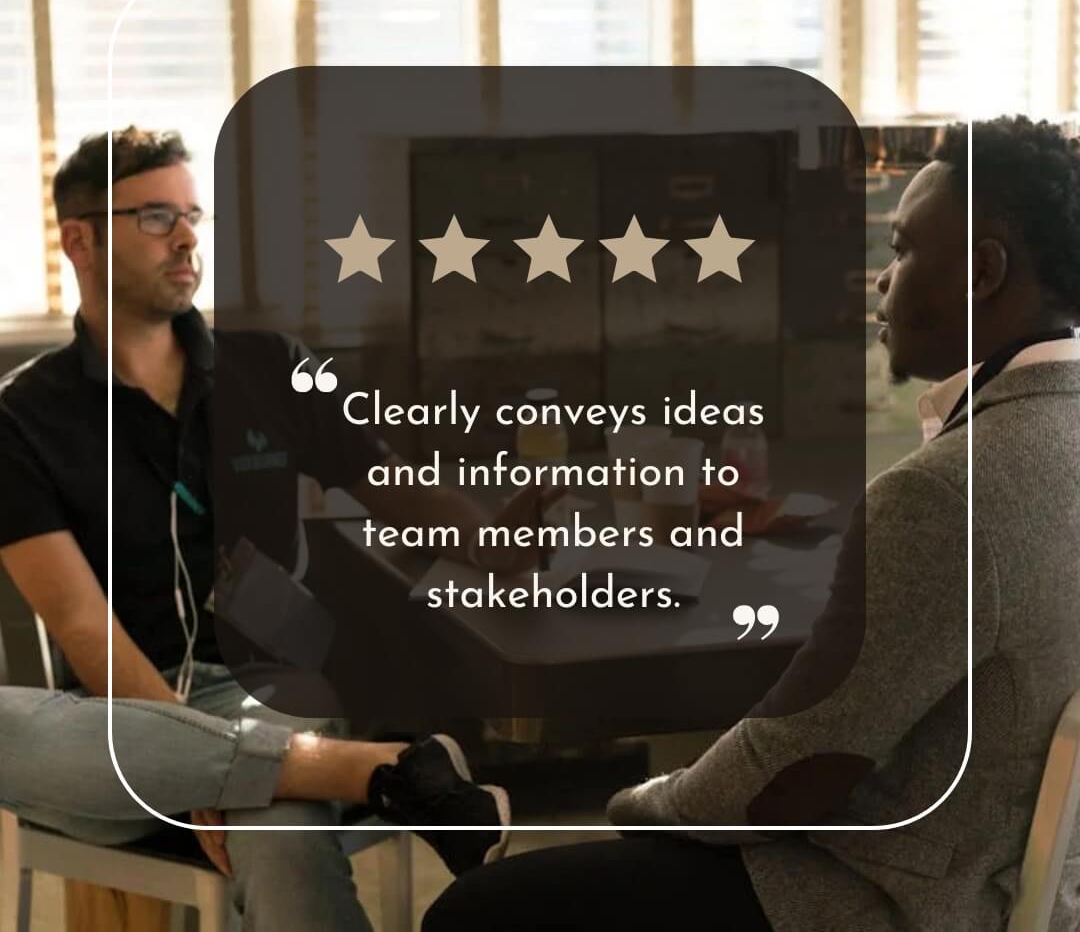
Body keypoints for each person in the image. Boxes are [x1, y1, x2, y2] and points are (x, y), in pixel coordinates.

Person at [422, 116, 1080, 932]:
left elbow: (793, 771)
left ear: (982, 270)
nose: (881, 281)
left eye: (904, 250)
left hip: (886, 896)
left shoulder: (948, 491)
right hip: (1021, 883)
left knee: (477, 911)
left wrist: (637, 806)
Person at [0, 126, 554, 931]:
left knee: (274, 820)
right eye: (156, 216)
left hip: (274, 691)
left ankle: (302, 771)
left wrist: (514, 536)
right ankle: (386, 772)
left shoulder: (270, 366)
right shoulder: (19, 419)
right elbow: (82, 623)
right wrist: (197, 768)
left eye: (194, 215)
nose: (188, 235)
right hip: (115, 722)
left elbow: (401, 495)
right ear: (78, 238)